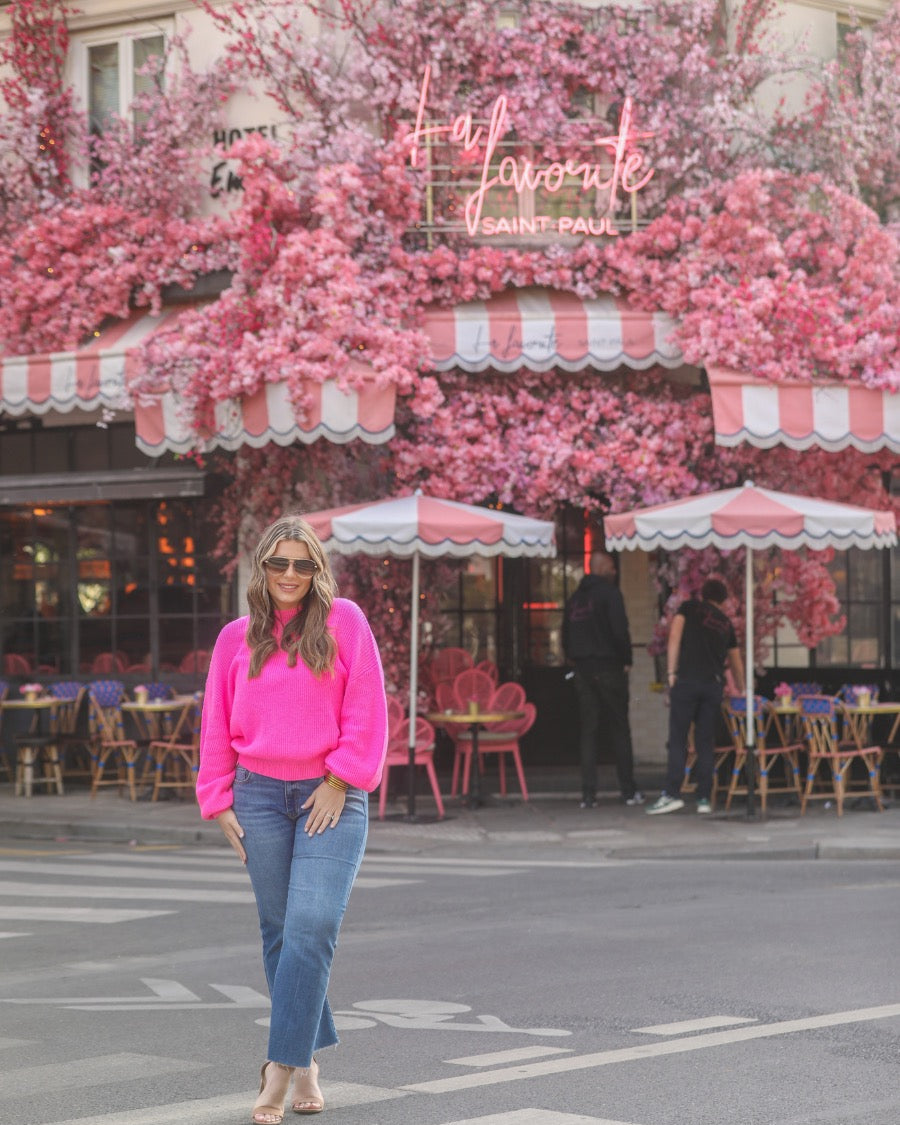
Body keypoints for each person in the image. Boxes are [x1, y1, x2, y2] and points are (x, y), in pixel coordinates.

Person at [196, 514, 388, 1123]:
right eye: (278, 563)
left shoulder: (345, 623)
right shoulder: (235, 637)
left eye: (302, 564)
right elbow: (214, 720)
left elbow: (367, 711)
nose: (289, 575)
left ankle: (278, 1067)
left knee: (310, 926)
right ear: (262, 566)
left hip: (330, 794)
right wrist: (217, 797)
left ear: (318, 570)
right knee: (282, 933)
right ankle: (306, 1060)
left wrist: (340, 779)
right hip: (256, 797)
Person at [647, 577, 745, 815]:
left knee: (679, 739)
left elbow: (674, 638)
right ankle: (704, 798)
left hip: (687, 682)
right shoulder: (725, 624)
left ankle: (672, 794)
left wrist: (671, 672)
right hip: (712, 686)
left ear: (703, 594)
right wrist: (742, 689)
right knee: (705, 742)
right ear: (723, 601)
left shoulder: (689, 608)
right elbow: (735, 661)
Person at [562, 550, 642, 808]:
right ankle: (628, 791)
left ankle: (588, 794)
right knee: (620, 728)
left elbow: (565, 634)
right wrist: (627, 659)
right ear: (602, 568)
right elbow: (620, 631)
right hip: (609, 667)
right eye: (611, 567)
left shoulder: (575, 599)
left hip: (583, 669)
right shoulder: (610, 594)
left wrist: (574, 658)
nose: (615, 572)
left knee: (589, 731)